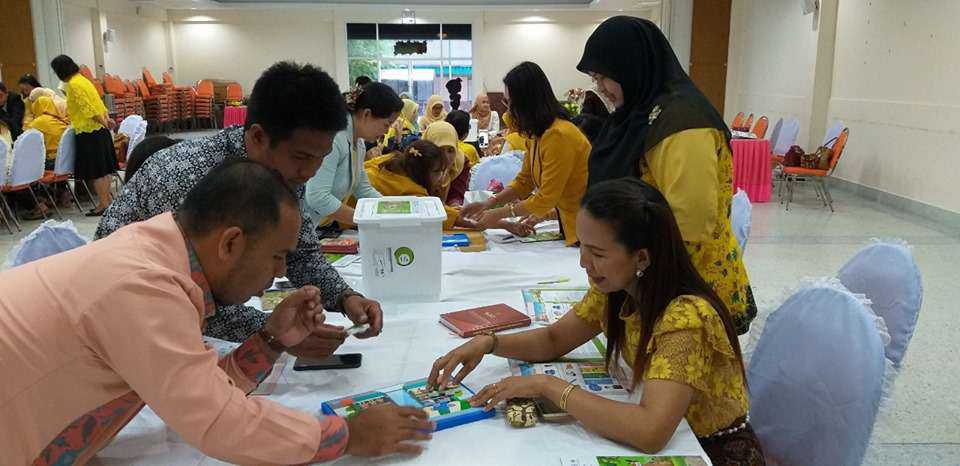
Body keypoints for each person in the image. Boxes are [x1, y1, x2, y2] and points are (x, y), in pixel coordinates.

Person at [0, 159, 433, 465]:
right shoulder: (144, 286)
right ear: (230, 243)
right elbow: (218, 421)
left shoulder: (158, 255)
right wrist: (347, 434)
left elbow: (197, 391)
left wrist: (270, 341)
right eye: (277, 256)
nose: (280, 272)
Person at [429, 178, 764, 465]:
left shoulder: (686, 319)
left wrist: (548, 386)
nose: (583, 263)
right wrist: (490, 342)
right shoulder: (616, 290)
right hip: (674, 431)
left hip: (712, 451)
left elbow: (650, 431)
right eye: (583, 247)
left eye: (598, 254)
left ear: (641, 258)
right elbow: (554, 340)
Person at [96, 61, 383, 358]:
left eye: (320, 158)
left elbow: (301, 253)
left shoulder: (282, 172)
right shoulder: (185, 176)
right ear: (258, 137)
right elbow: (184, 295)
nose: (309, 172)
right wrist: (274, 333)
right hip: (118, 323)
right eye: (302, 157)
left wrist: (346, 298)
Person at [577, 16, 756, 333]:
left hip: (687, 292)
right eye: (595, 78)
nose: (600, 88)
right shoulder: (639, 114)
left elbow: (690, 224)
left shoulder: (682, 124)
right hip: (647, 277)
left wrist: (627, 265)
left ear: (630, 66)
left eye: (605, 77)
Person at [460, 62, 591, 246]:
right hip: (570, 227)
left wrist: (497, 214)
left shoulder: (559, 135)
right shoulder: (537, 135)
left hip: (586, 228)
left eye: (510, 103)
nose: (508, 111)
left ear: (526, 103)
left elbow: (546, 198)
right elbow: (524, 181)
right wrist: (488, 203)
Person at [305, 83, 402, 228]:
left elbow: (363, 189)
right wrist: (363, 219)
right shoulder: (334, 138)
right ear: (366, 114)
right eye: (387, 124)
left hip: (313, 225)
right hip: (293, 225)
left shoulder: (359, 142)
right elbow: (317, 197)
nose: (387, 131)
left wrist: (395, 211)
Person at [51, 54, 118, 217]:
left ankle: (103, 204)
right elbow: (98, 103)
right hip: (100, 130)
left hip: (89, 132)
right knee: (105, 170)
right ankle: (107, 201)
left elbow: (88, 109)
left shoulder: (73, 85)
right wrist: (107, 119)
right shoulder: (84, 80)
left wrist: (103, 122)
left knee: (97, 172)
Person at [421, 121, 468, 207]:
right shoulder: (416, 162)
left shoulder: (460, 163)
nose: (446, 157)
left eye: (450, 150)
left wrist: (455, 205)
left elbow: (456, 193)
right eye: (440, 150)